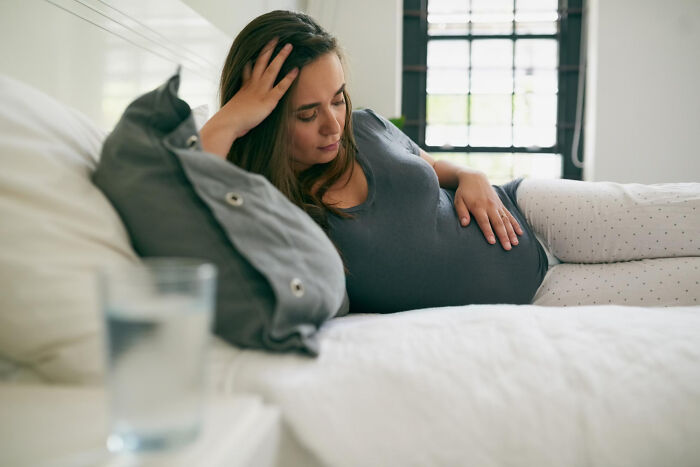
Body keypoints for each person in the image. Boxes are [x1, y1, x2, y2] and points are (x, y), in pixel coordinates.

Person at [201, 10, 700, 313]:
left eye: (337, 98)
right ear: (261, 118)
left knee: (683, 212)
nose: (334, 124)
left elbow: (434, 167)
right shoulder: (274, 209)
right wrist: (230, 118)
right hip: (538, 292)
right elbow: (188, 196)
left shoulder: (366, 126)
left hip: (533, 210)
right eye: (307, 114)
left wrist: (472, 175)